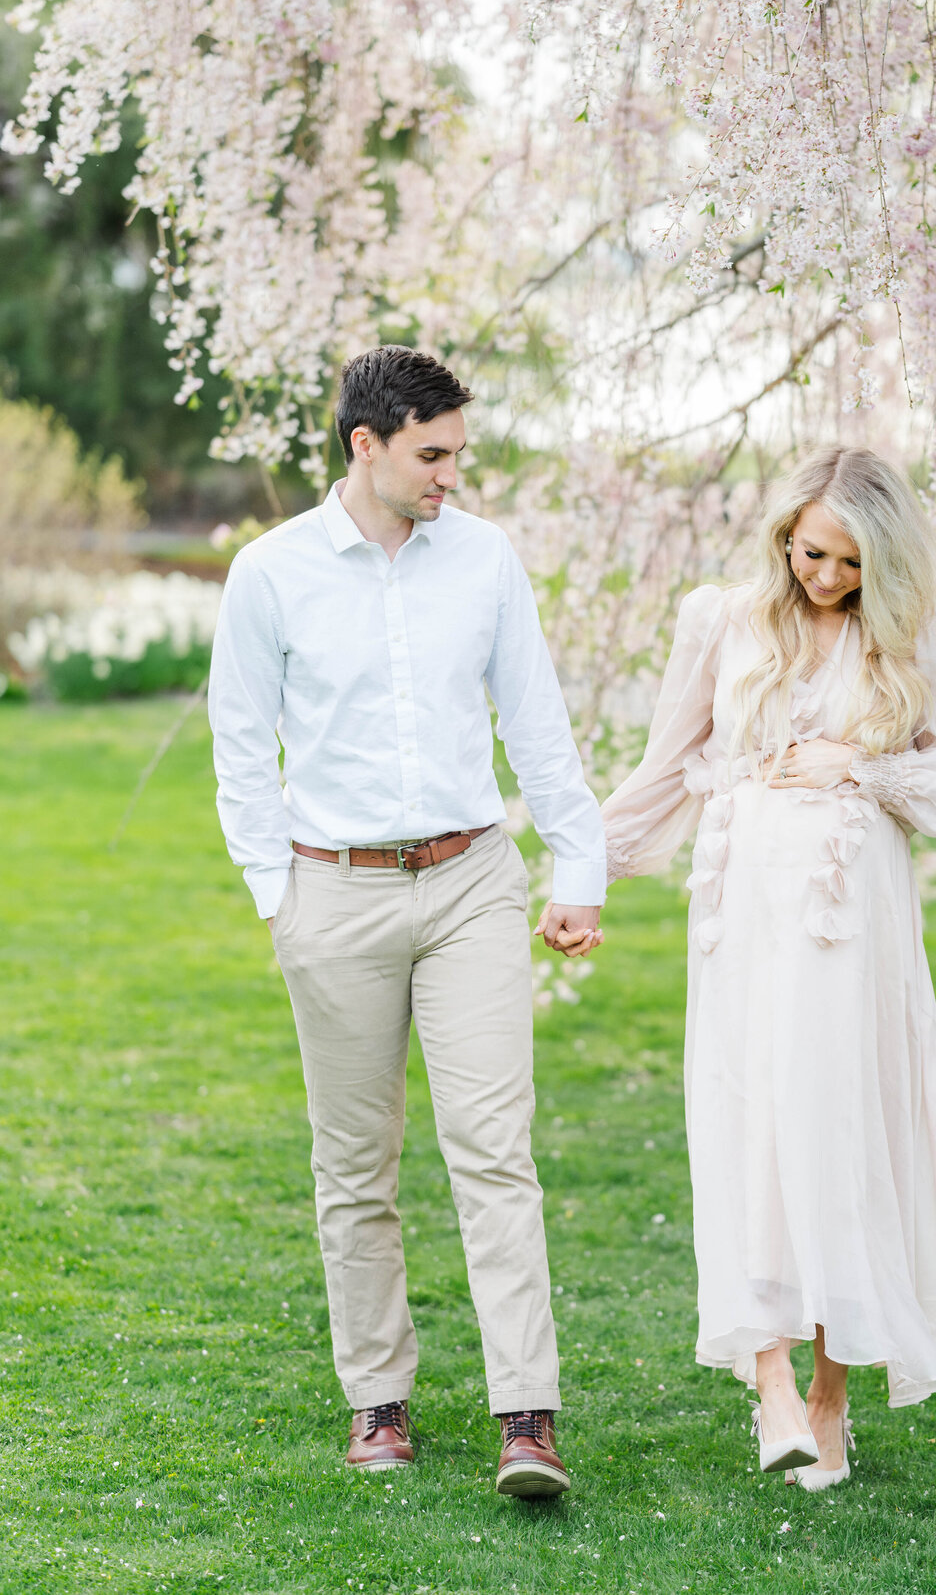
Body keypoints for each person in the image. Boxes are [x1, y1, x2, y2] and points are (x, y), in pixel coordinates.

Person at [208, 345, 605, 1497]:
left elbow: (536, 721)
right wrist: (274, 894)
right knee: (355, 1163)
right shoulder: (269, 573)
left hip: (472, 881)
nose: (450, 476)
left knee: (494, 1149)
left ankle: (526, 1416)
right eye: (431, 455)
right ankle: (378, 1402)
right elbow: (242, 744)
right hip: (330, 891)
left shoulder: (483, 559)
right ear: (364, 445)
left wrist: (575, 866)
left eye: (457, 454)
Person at [601, 445, 936, 1491]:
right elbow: (665, 765)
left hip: (850, 932)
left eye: (850, 563)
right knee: (748, 1127)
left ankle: (830, 1396)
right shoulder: (721, 621)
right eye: (812, 552)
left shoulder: (907, 635)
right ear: (785, 535)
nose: (825, 577)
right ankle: (767, 1375)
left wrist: (860, 762)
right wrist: (582, 872)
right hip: (740, 921)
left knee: (836, 1132)